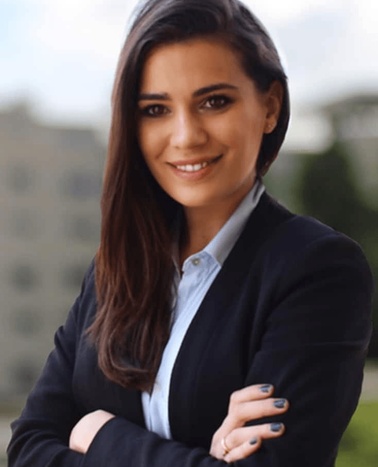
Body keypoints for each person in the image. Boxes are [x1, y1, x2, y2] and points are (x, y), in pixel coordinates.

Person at [8, 0, 373, 466]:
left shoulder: (317, 269)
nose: (185, 136)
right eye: (156, 109)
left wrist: (100, 435)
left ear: (270, 106)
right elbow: (28, 448)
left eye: (214, 101)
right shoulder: (114, 268)